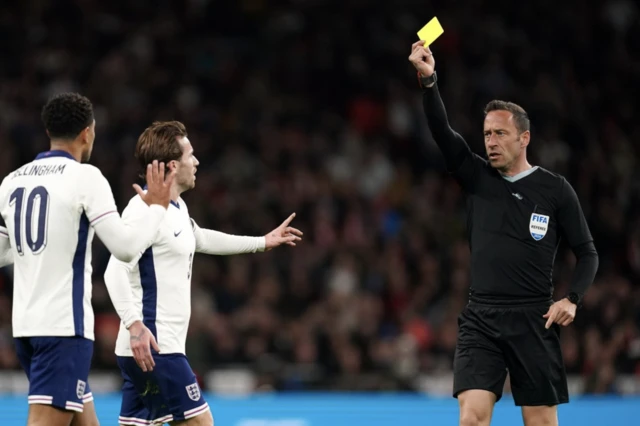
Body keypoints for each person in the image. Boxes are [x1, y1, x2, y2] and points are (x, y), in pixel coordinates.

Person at [408, 42, 599, 426]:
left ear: (524, 138)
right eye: (486, 134)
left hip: (534, 318)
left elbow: (588, 253)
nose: (490, 141)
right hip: (482, 317)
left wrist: (573, 299)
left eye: (499, 134)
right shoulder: (477, 176)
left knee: (541, 423)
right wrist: (429, 82)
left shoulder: (555, 189)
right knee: (472, 419)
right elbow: (442, 132)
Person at [103, 121, 303, 426]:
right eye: (190, 155)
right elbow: (113, 270)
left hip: (146, 352)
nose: (196, 162)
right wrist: (134, 326)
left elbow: (200, 238)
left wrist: (262, 242)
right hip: (158, 348)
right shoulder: (142, 209)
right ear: (173, 165)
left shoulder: (175, 207)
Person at [0, 93, 175, 426]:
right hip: (64, 330)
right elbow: (124, 248)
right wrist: (157, 208)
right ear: (87, 132)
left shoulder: (12, 181)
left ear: (48, 130)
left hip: (24, 329)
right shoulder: (86, 178)